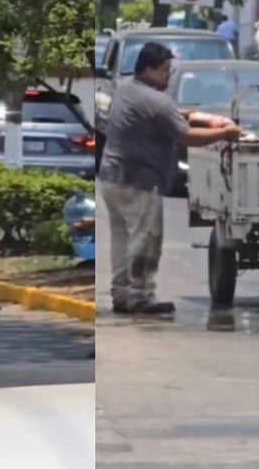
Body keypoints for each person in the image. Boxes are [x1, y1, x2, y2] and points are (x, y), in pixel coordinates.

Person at [99, 42, 243, 314]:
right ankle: (140, 296)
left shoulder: (126, 89)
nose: (168, 76)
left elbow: (167, 117)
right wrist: (226, 133)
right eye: (165, 70)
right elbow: (186, 136)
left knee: (122, 240)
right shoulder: (156, 100)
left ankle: (122, 294)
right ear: (149, 69)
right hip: (138, 181)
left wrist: (194, 115)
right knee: (146, 241)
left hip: (112, 178)